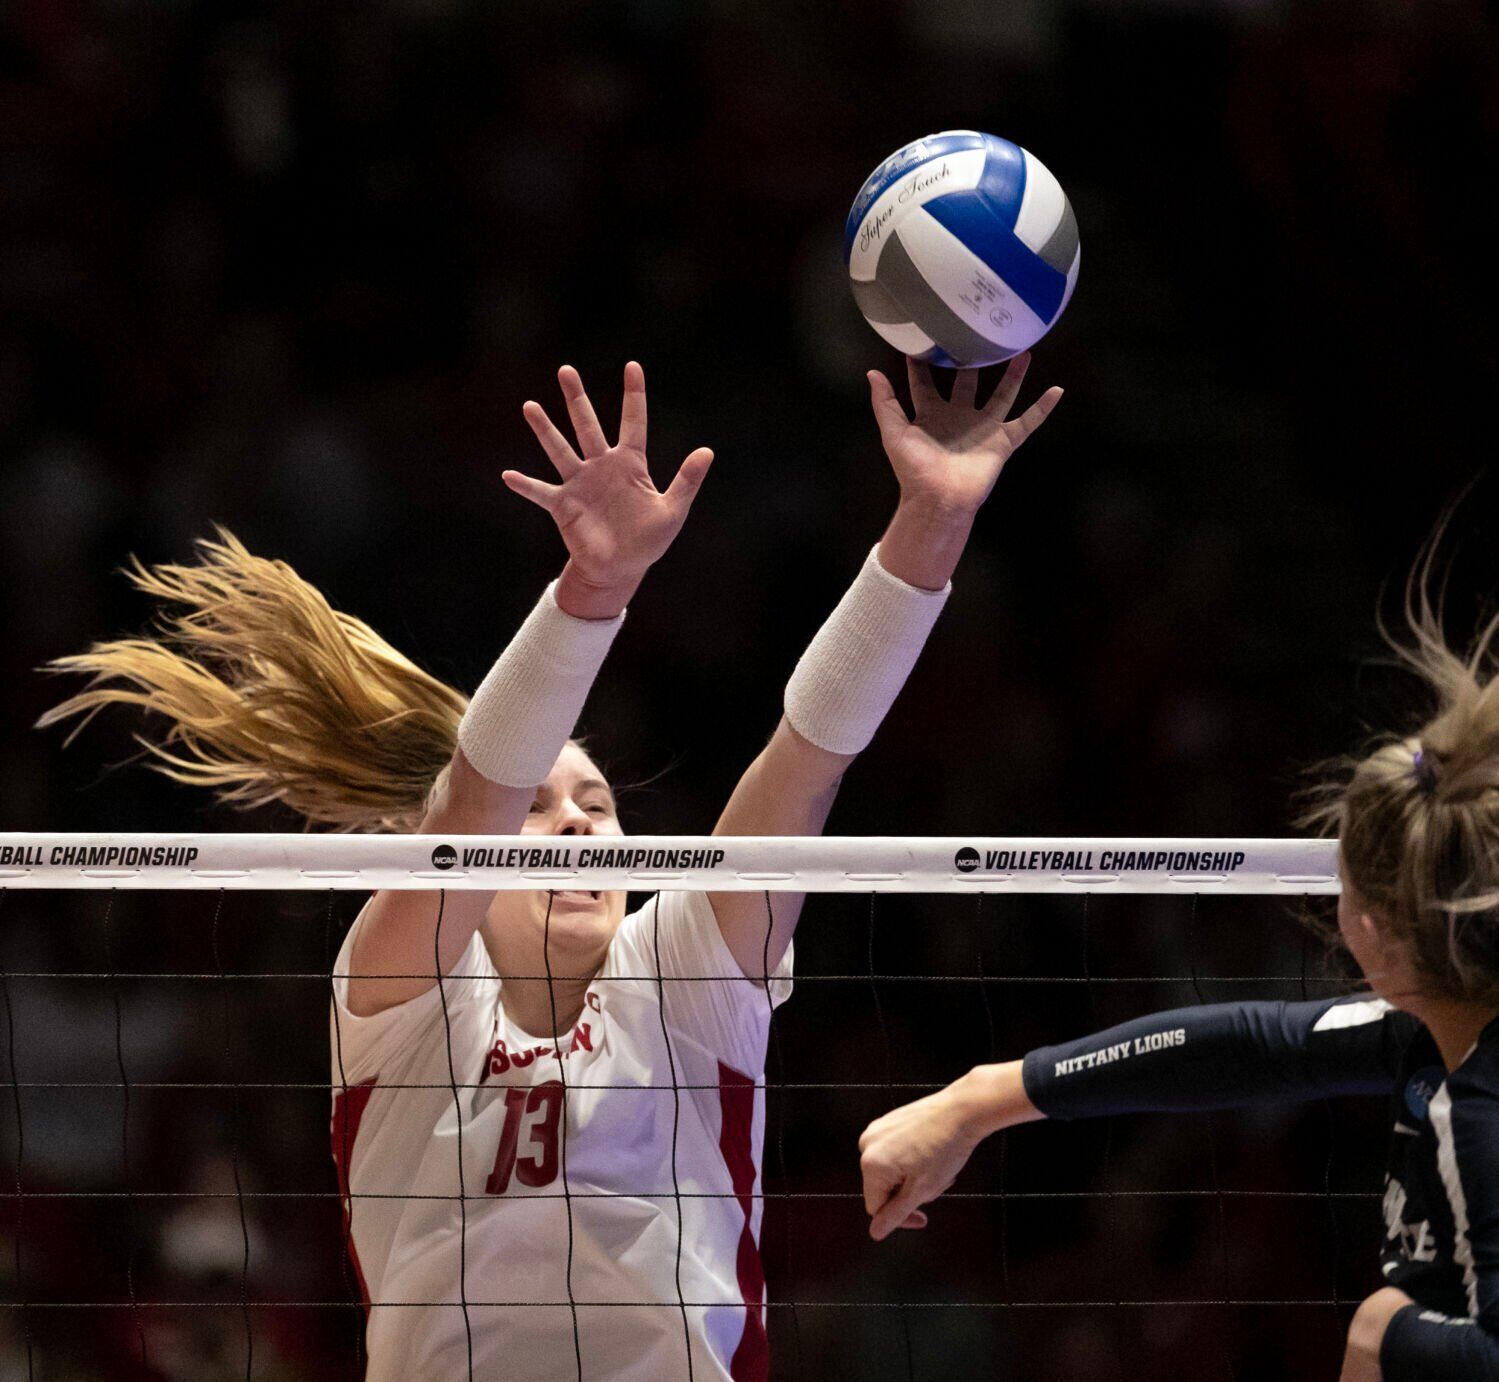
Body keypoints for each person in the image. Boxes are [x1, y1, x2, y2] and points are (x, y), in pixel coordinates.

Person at [42, 357, 1062, 1380]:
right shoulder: (403, 1000)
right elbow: (471, 804)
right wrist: (593, 588)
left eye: (598, 805)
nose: (575, 824)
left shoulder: (680, 972)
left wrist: (931, 521)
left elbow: (807, 757)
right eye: (538, 805)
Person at [857, 574, 1499, 1381]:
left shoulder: (1480, 1106)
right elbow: (1255, 1046)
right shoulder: (1435, 1025)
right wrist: (977, 1101)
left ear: (1374, 928)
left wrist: (1381, 1337)